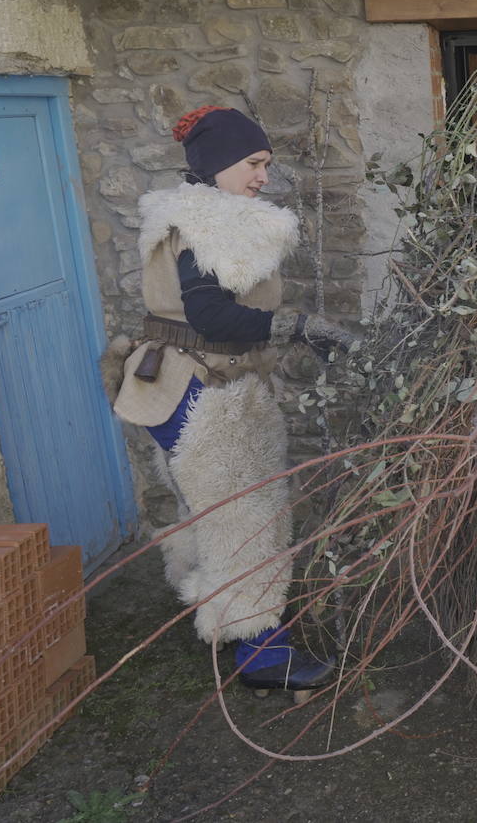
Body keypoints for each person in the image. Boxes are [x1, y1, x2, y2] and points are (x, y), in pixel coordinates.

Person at [108, 105, 352, 700]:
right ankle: (262, 652)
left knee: (224, 511)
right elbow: (210, 314)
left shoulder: (213, 219)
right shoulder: (201, 227)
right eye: (253, 163)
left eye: (266, 163)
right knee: (244, 517)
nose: (263, 176)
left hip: (207, 383)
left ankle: (225, 613)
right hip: (198, 392)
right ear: (217, 163)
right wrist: (298, 326)